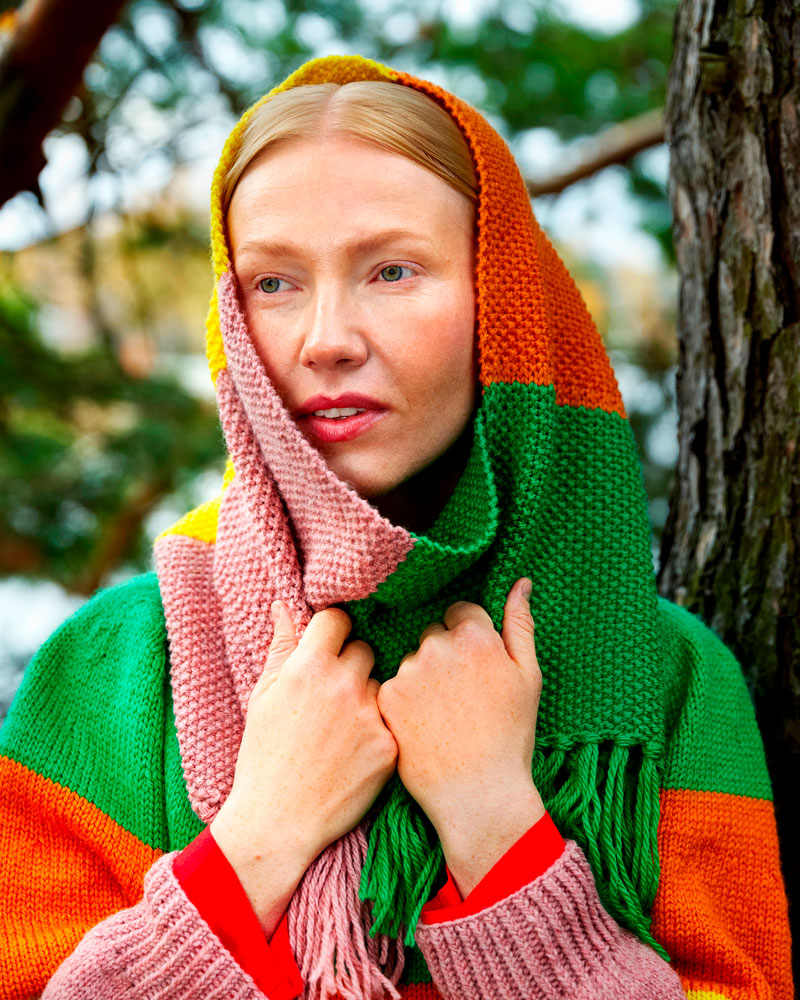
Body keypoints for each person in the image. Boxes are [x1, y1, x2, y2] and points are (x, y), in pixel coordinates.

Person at [0, 54, 792, 1000]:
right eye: (274, 283)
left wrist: (496, 825)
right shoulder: (110, 669)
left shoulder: (665, 680)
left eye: (392, 270)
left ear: (502, 308)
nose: (326, 337)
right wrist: (258, 841)